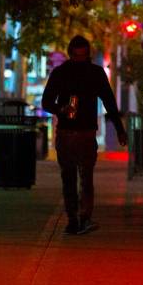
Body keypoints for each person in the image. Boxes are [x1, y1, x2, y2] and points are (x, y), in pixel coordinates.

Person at [41, 35, 127, 235]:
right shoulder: (92, 72)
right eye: (79, 56)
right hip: (78, 133)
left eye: (83, 56)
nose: (81, 60)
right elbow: (109, 102)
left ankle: (76, 219)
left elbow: (109, 102)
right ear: (73, 55)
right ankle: (80, 218)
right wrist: (62, 110)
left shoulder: (62, 73)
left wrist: (59, 110)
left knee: (73, 177)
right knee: (81, 178)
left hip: (75, 133)